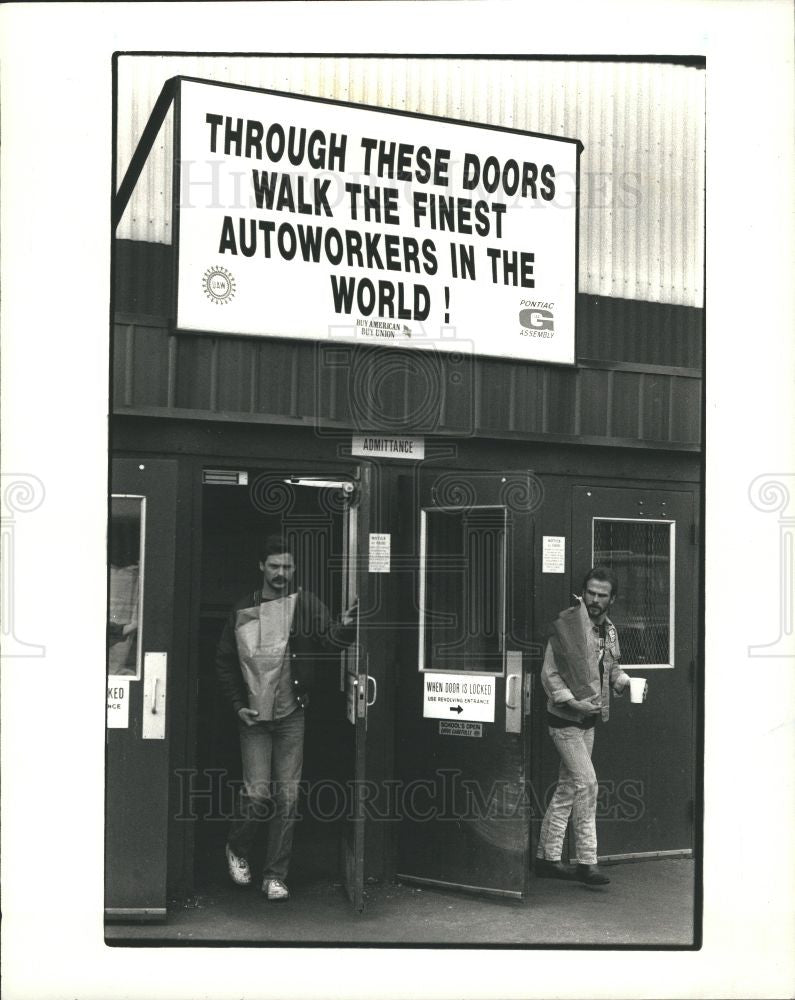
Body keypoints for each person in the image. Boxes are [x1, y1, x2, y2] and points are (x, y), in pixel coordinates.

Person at [215, 533, 357, 901]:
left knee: (288, 798)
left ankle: (275, 876)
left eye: (287, 567)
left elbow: (331, 640)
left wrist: (350, 624)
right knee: (257, 793)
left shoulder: (304, 604)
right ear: (261, 566)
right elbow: (225, 662)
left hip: (293, 713)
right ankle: (238, 848)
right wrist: (236, 706)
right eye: (275, 566)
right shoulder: (243, 607)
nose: (281, 573)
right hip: (254, 718)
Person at [535, 566, 635, 886]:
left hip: (588, 720)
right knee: (587, 784)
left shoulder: (609, 631)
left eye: (601, 595)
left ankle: (547, 858)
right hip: (564, 720)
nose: (594, 599)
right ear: (583, 593)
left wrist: (622, 681)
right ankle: (587, 862)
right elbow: (549, 674)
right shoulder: (567, 625)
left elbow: (612, 666)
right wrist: (571, 702)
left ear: (612, 599)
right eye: (590, 592)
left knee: (568, 788)